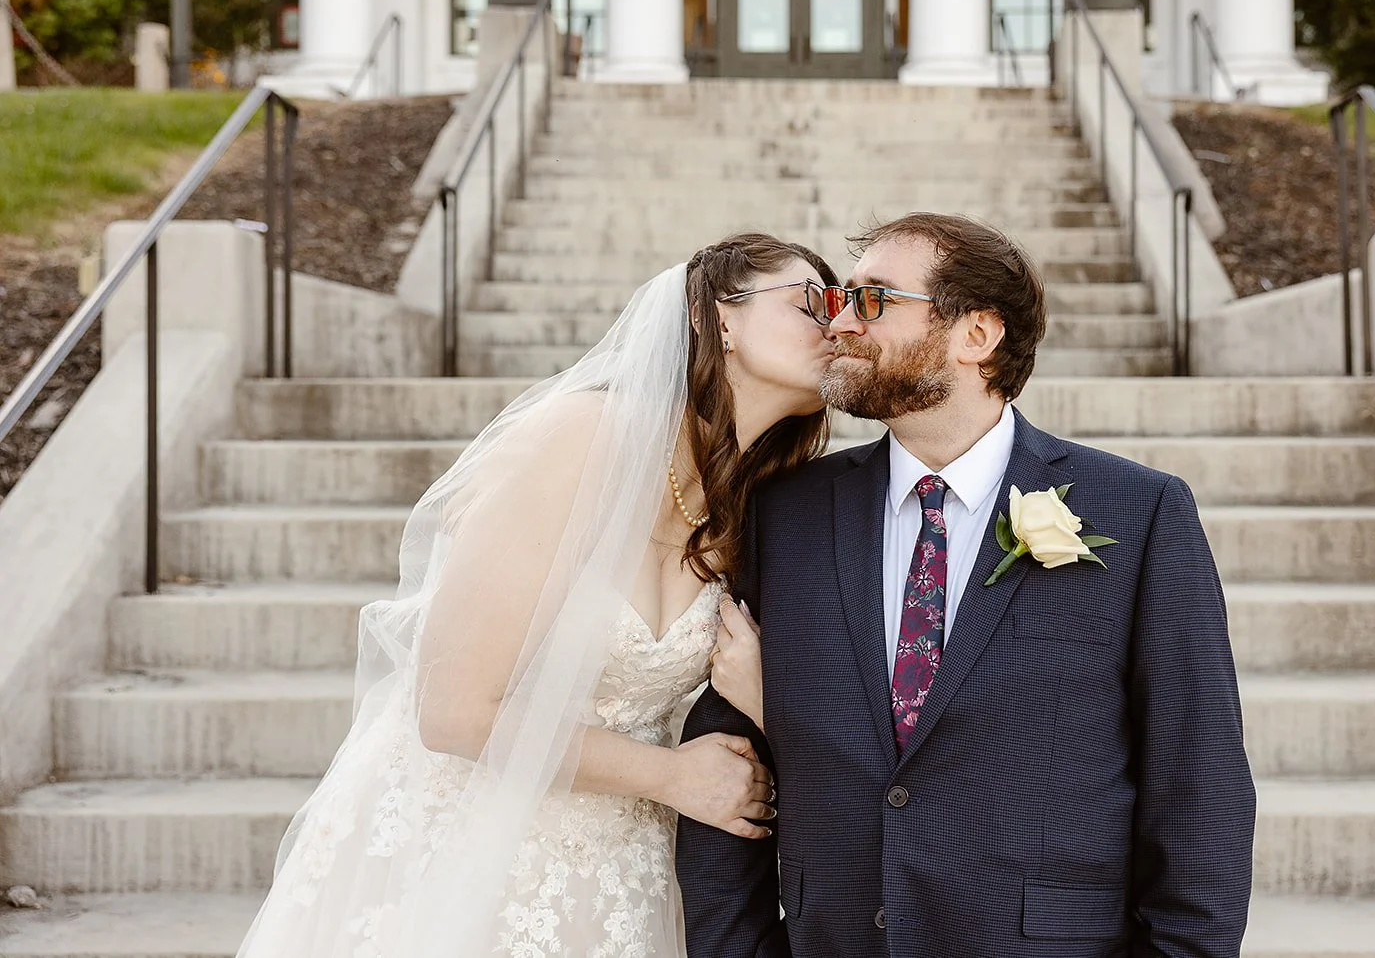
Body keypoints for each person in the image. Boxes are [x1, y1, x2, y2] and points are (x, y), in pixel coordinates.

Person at [235, 233, 840, 958]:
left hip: (626, 878)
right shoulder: (582, 438)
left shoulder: (759, 507)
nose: (835, 325)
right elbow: (453, 710)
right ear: (721, 318)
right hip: (470, 849)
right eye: (810, 302)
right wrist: (672, 775)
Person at [679, 212, 1256, 958]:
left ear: (977, 336)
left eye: (875, 300)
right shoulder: (785, 515)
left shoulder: (1139, 513)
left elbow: (1199, 786)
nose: (843, 322)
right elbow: (727, 764)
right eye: (842, 298)